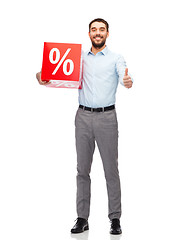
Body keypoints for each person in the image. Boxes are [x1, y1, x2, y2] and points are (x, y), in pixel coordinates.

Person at [36, 18, 133, 235]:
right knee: (82, 170)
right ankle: (82, 218)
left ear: (108, 33)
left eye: (101, 30)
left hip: (107, 118)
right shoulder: (77, 57)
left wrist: (128, 81)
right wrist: (41, 76)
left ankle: (115, 218)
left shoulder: (116, 58)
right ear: (89, 33)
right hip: (83, 117)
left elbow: (125, 75)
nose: (97, 33)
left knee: (111, 170)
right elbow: (51, 73)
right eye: (93, 30)